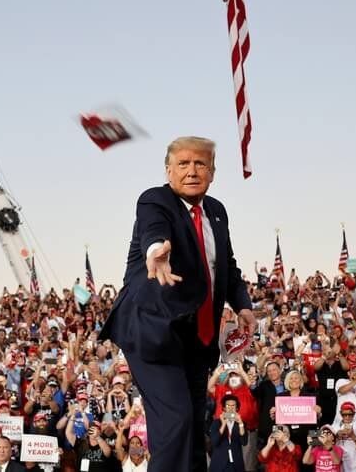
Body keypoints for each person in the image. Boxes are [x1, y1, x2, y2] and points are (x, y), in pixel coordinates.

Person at [99, 136, 255, 472]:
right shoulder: (155, 201)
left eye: (200, 163)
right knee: (177, 420)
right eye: (183, 164)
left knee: (193, 429)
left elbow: (225, 265)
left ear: (212, 171)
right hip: (151, 332)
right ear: (169, 170)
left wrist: (242, 305)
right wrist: (157, 250)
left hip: (197, 339)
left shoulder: (216, 212)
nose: (192, 171)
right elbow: (154, 232)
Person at [209, 394, 247, 472]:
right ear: (224, 408)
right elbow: (214, 442)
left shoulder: (241, 424)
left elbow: (244, 442)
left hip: (236, 463)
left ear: (237, 408)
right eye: (228, 406)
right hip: (219, 463)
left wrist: (240, 423)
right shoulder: (216, 423)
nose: (230, 408)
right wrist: (223, 424)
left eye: (233, 406)